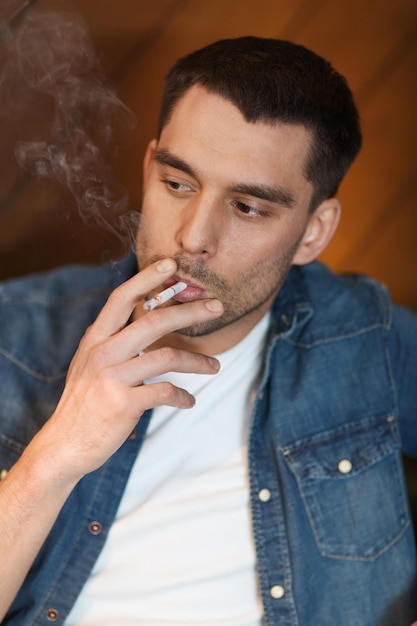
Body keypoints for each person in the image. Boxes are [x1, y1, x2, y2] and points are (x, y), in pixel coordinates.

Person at [0, 36, 416, 626]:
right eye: (178, 184)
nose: (193, 236)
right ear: (149, 169)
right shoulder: (11, 333)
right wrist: (56, 455)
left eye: (248, 207)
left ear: (314, 232)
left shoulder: (362, 334)